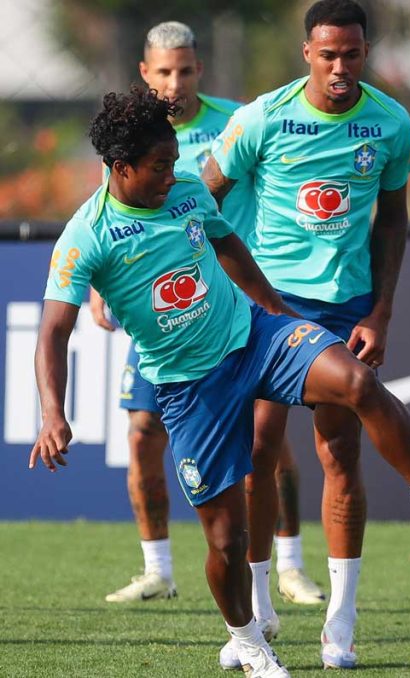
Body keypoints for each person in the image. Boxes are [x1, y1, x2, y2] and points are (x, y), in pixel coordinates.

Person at [30, 87, 410, 677]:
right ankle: (248, 641)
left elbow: (227, 243)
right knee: (226, 541)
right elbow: (52, 332)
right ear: (120, 167)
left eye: (173, 162)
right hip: (190, 389)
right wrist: (53, 413)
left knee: (358, 383)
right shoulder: (86, 236)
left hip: (252, 337)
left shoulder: (186, 191)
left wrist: (276, 311)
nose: (172, 176)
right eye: (159, 166)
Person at [201, 0, 410, 669]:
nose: (339, 67)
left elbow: (393, 218)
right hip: (268, 306)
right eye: (327, 55)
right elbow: (203, 198)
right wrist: (221, 282)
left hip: (344, 307)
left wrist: (380, 312)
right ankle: (257, 613)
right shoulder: (262, 117)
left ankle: (341, 620)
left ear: (365, 52)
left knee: (338, 452)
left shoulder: (390, 122)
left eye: (351, 54)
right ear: (307, 53)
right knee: (259, 449)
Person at [94, 21, 325, 607]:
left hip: (230, 305)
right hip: (162, 314)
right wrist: (99, 288)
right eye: (163, 72)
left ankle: (291, 563)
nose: (175, 82)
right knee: (142, 432)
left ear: (199, 69)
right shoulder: (130, 140)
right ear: (145, 73)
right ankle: (157, 569)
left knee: (267, 440)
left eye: (185, 70)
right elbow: (111, 216)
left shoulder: (235, 123)